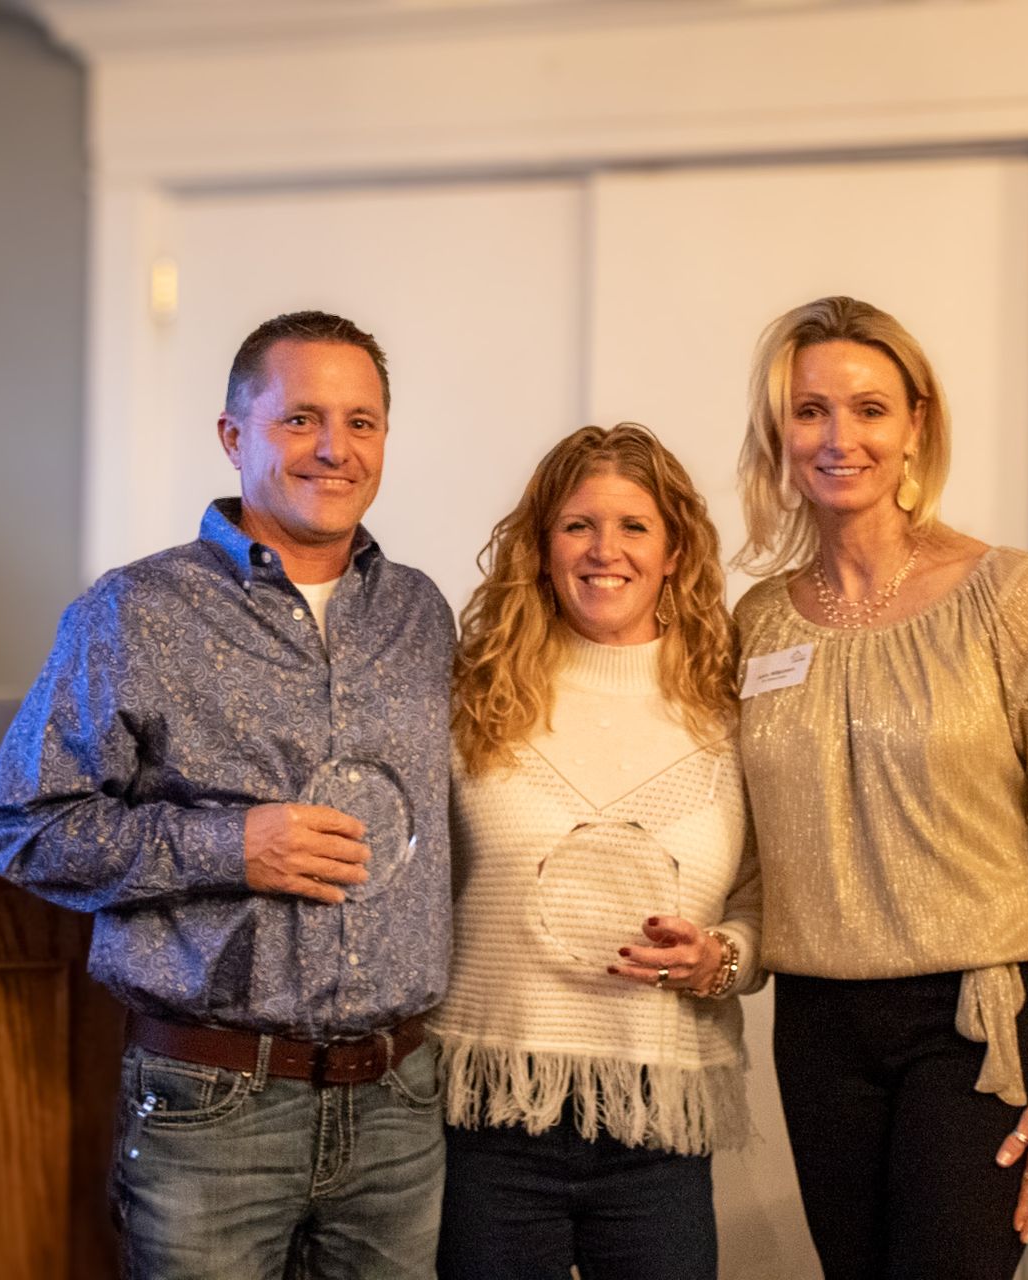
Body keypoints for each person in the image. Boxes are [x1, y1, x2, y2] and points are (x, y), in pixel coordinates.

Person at [0, 311, 454, 1280]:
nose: (335, 448)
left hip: (400, 1104)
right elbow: (22, 825)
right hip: (214, 1105)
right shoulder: (135, 611)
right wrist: (230, 846)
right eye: (301, 418)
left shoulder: (421, 612)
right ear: (234, 436)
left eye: (361, 422)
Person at [730, 296, 1028, 1279]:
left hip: (983, 1016)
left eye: (869, 409)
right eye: (810, 410)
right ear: (778, 430)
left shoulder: (1006, 594)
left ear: (916, 425)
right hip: (819, 1023)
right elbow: (737, 835)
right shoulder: (757, 622)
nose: (839, 438)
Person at [433, 424, 761, 1280]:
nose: (603, 550)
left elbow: (763, 896)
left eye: (634, 526)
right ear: (541, 549)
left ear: (675, 552)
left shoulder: (731, 708)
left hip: (656, 1123)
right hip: (489, 1118)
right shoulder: (472, 695)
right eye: (577, 525)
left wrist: (720, 959)